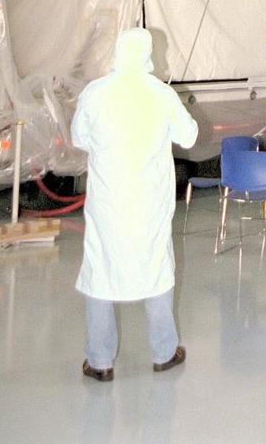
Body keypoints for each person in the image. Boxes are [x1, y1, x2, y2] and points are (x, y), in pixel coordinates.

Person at [71, 27, 198, 382]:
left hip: (107, 204)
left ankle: (99, 362)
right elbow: (189, 137)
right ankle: (163, 353)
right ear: (148, 54)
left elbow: (79, 138)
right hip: (149, 205)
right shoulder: (161, 94)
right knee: (155, 269)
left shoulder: (95, 92)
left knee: (100, 272)